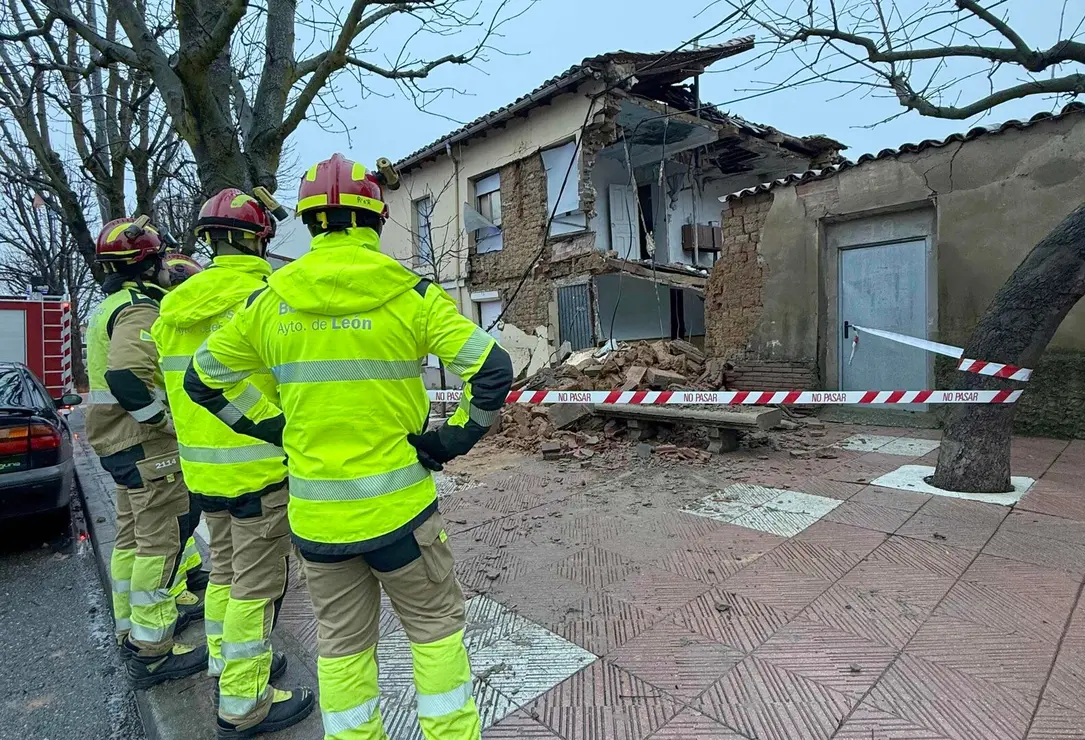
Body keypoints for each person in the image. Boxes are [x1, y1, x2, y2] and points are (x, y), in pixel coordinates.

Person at [184, 153, 513, 740]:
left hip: (316, 523)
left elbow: (201, 380)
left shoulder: (268, 302)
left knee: (341, 650)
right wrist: (451, 439)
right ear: (377, 219)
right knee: (435, 632)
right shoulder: (408, 294)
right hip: (401, 514)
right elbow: (492, 370)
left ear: (309, 224)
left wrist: (271, 427)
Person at [151, 190, 314, 738]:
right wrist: (280, 427)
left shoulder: (172, 307)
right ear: (258, 238)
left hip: (202, 472)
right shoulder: (268, 297)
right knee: (256, 588)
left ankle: (227, 667)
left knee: (223, 573)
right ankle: (245, 702)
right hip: (260, 473)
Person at [84, 219, 208, 689]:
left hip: (115, 442)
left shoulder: (107, 307)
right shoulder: (138, 310)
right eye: (160, 261)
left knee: (133, 538)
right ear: (147, 264)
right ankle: (153, 649)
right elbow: (127, 378)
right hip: (143, 447)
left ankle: (129, 628)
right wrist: (165, 422)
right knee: (161, 541)